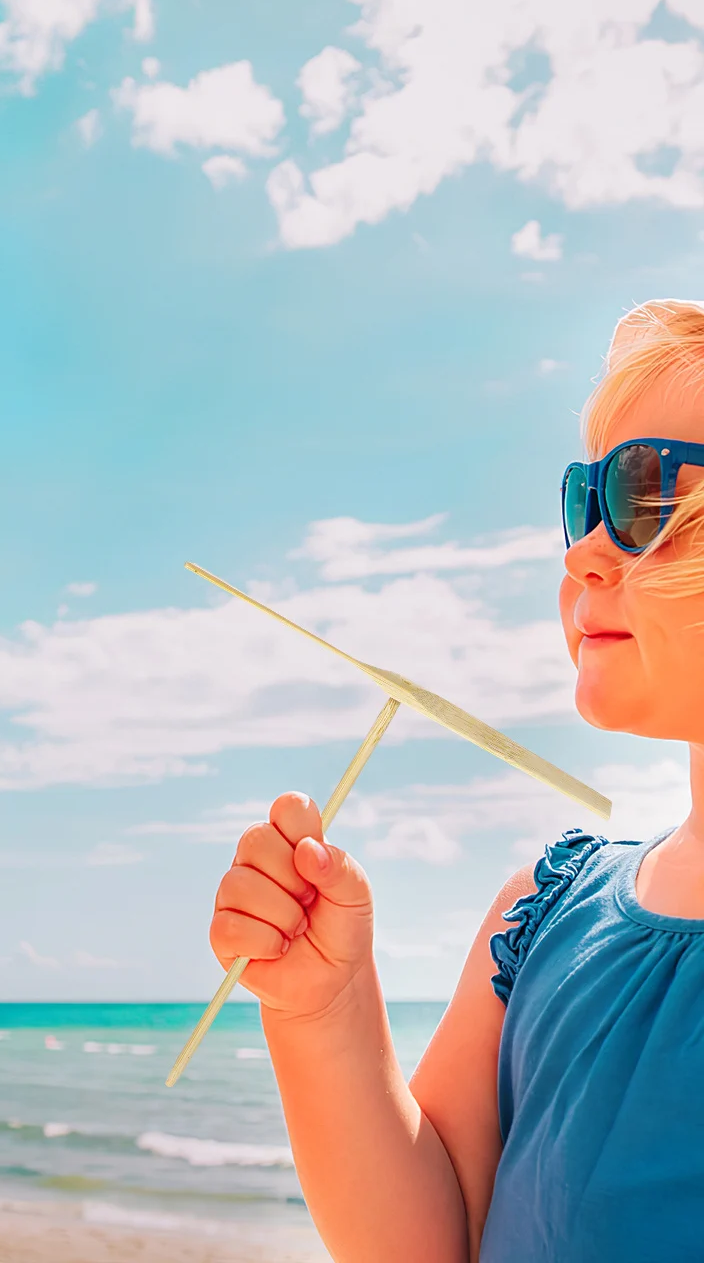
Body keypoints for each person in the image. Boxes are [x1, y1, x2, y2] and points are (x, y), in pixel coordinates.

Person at [207, 296, 704, 1262]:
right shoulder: (550, 910)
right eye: (581, 499)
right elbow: (428, 1240)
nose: (584, 549)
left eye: (644, 497)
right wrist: (323, 1012)